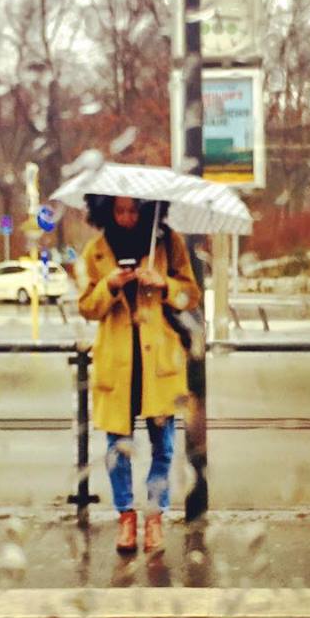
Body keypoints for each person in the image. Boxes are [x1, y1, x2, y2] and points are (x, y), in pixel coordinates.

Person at [77, 194, 200, 554]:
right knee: (118, 448)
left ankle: (154, 517)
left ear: (146, 211)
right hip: (117, 362)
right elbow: (86, 307)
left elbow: (189, 296)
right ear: (107, 211)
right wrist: (110, 285)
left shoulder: (167, 242)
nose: (127, 217)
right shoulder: (95, 250)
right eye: (120, 210)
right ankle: (126, 518)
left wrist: (163, 284)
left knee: (163, 446)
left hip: (157, 363)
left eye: (133, 210)